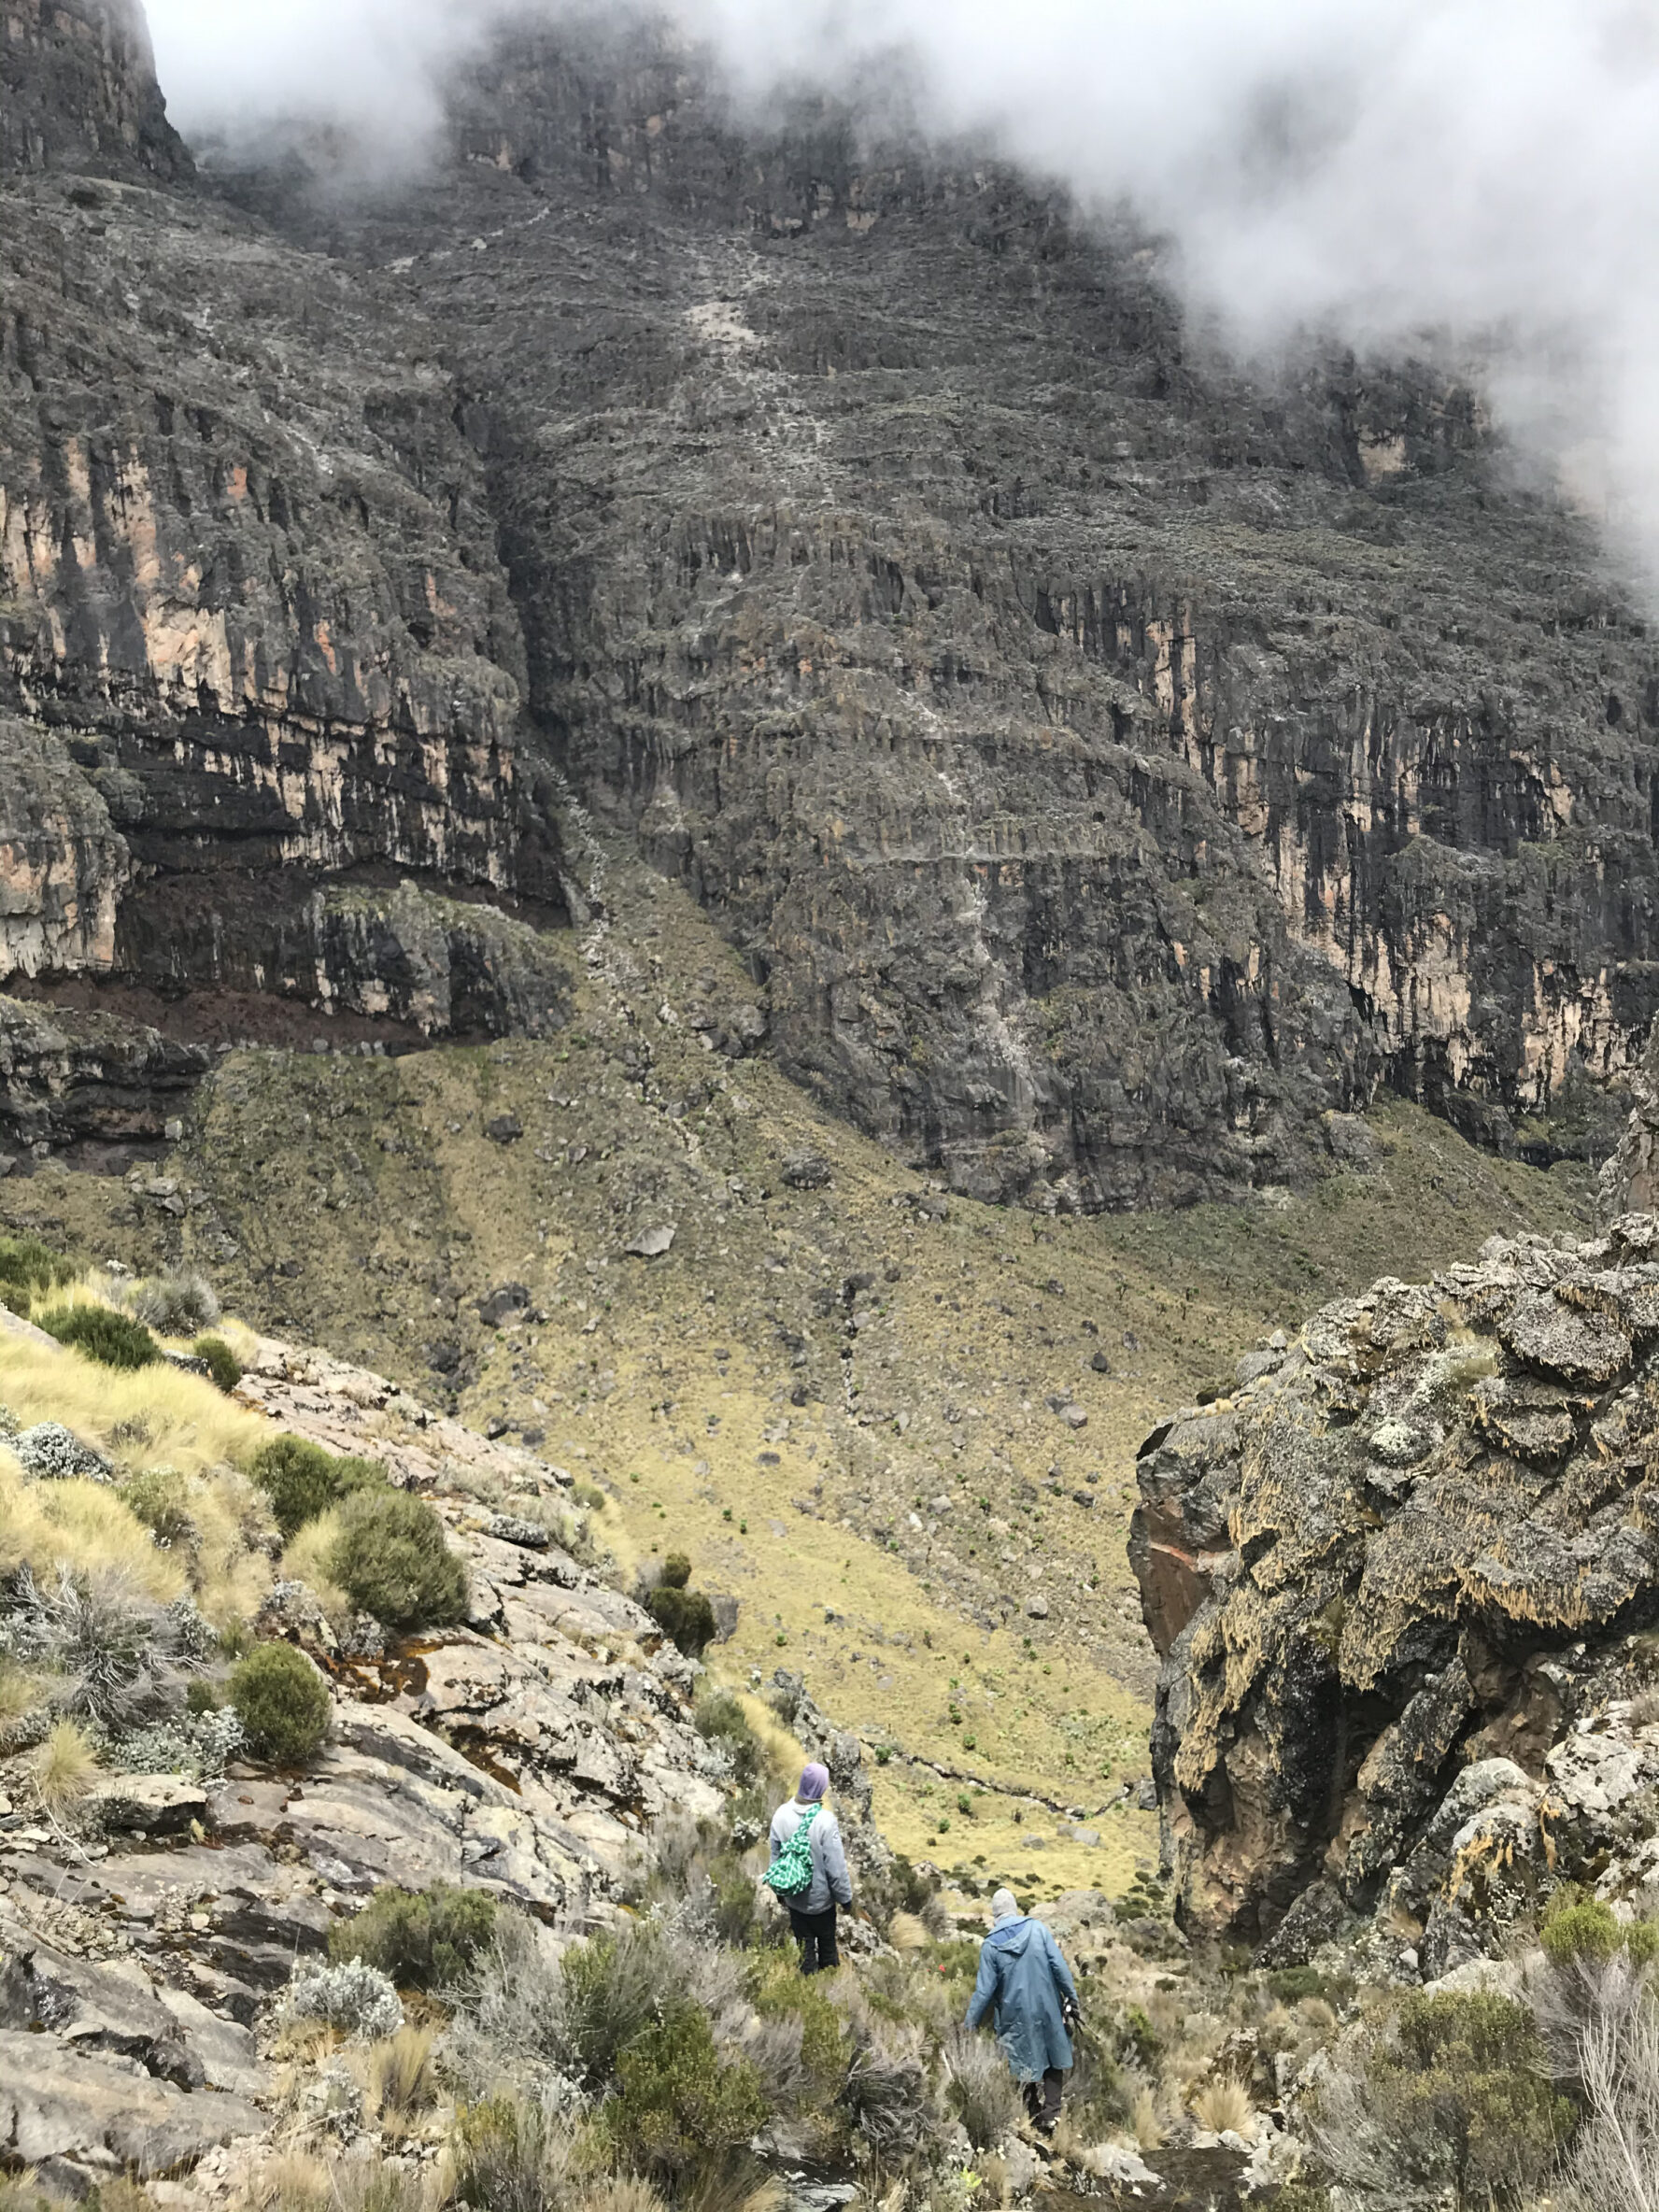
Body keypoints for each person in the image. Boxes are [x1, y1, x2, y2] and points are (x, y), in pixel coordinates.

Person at [965, 1887, 1081, 2137]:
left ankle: (1033, 2113)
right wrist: (1072, 1999)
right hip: (1048, 2005)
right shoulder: (1037, 1929)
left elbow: (984, 1991)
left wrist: (969, 2024)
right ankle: (1052, 2117)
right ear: (1015, 1908)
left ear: (995, 1915)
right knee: (1053, 2058)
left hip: (1013, 2013)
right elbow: (1059, 1968)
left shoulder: (990, 1946)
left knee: (1020, 2063)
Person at [768, 1762, 852, 1974]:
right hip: (821, 1904)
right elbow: (836, 1868)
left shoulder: (781, 1814)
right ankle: (829, 1990)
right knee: (828, 1952)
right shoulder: (825, 1821)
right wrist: (846, 1899)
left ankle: (805, 1994)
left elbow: (775, 1857)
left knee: (804, 1954)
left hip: (794, 1900)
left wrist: (779, 1892)